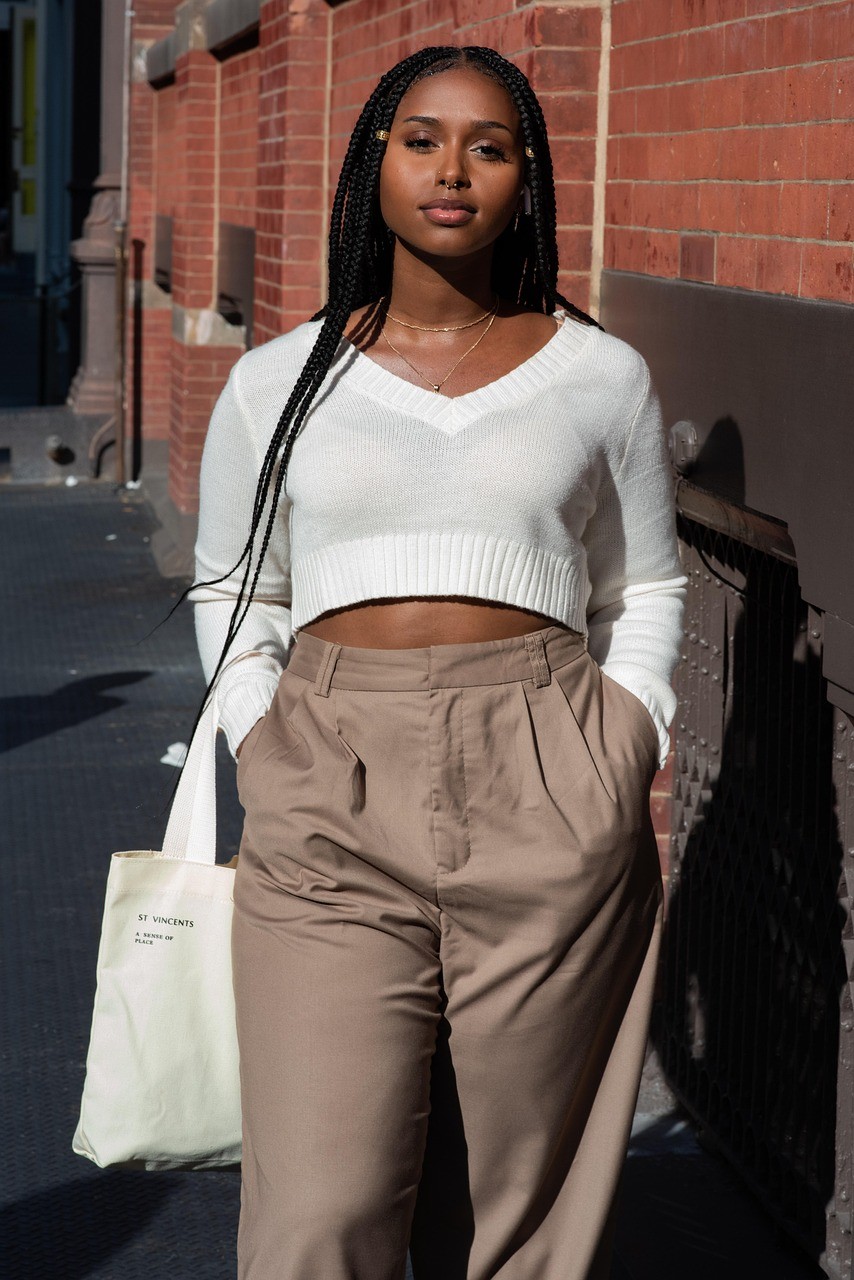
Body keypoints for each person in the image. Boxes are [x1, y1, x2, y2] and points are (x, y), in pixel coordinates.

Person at [190, 44, 687, 1280]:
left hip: (545, 772)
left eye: (489, 144)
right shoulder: (273, 383)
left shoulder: (601, 377)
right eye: (420, 139)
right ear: (373, 162)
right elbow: (232, 585)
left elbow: (648, 584)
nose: (451, 170)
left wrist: (621, 739)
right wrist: (262, 737)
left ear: (526, 176)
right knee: (321, 1205)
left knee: (515, 1207)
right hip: (328, 785)